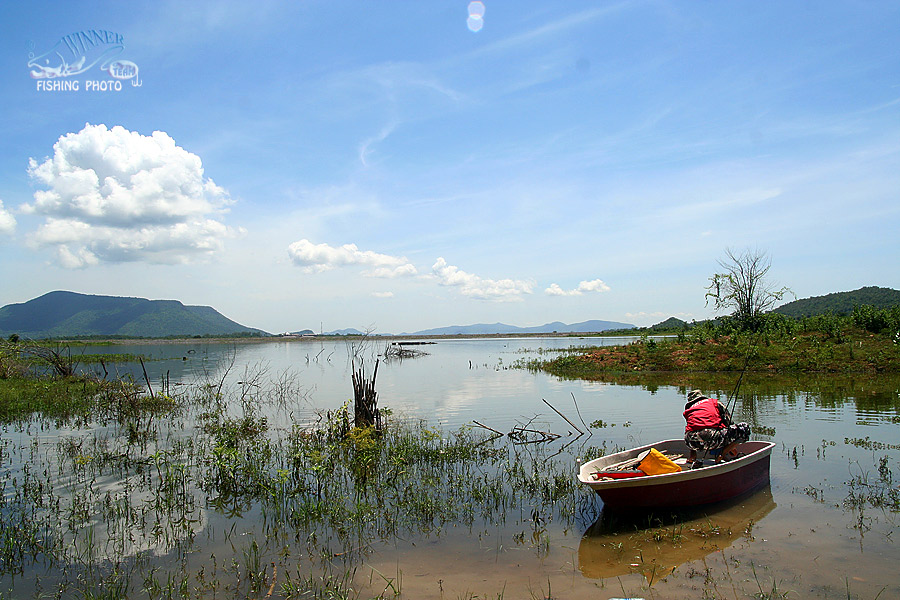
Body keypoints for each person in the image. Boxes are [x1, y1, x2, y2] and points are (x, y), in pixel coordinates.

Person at [683, 389, 750, 467]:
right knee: (744, 428)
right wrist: (731, 446)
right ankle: (722, 455)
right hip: (712, 438)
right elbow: (729, 423)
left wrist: (693, 455)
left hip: (691, 442)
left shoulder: (689, 409)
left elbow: (691, 428)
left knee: (692, 432)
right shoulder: (715, 403)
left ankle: (693, 457)